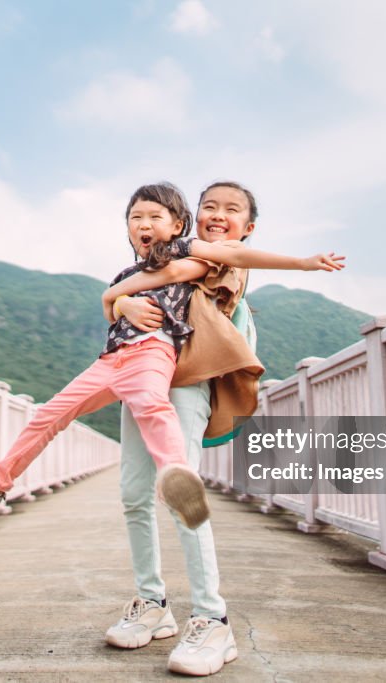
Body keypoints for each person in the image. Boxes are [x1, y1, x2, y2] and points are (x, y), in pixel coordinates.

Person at [0, 181, 343, 533]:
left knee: (152, 405)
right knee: (49, 414)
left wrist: (303, 264)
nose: (144, 225)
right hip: (111, 359)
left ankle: (176, 479)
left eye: (154, 217)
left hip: (153, 350)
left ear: (178, 225)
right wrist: (118, 300)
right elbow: (110, 310)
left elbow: (233, 255)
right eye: (135, 218)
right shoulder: (124, 274)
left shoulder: (188, 252)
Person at [99, 181, 344, 676]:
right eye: (209, 206)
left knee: (180, 493)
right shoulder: (167, 254)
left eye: (231, 210)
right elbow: (153, 282)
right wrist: (120, 303)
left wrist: (114, 294)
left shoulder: (227, 257)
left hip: (187, 383)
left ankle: (213, 617)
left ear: (247, 228)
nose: (218, 214)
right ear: (192, 216)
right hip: (141, 376)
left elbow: (176, 270)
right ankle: (152, 604)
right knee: (132, 494)